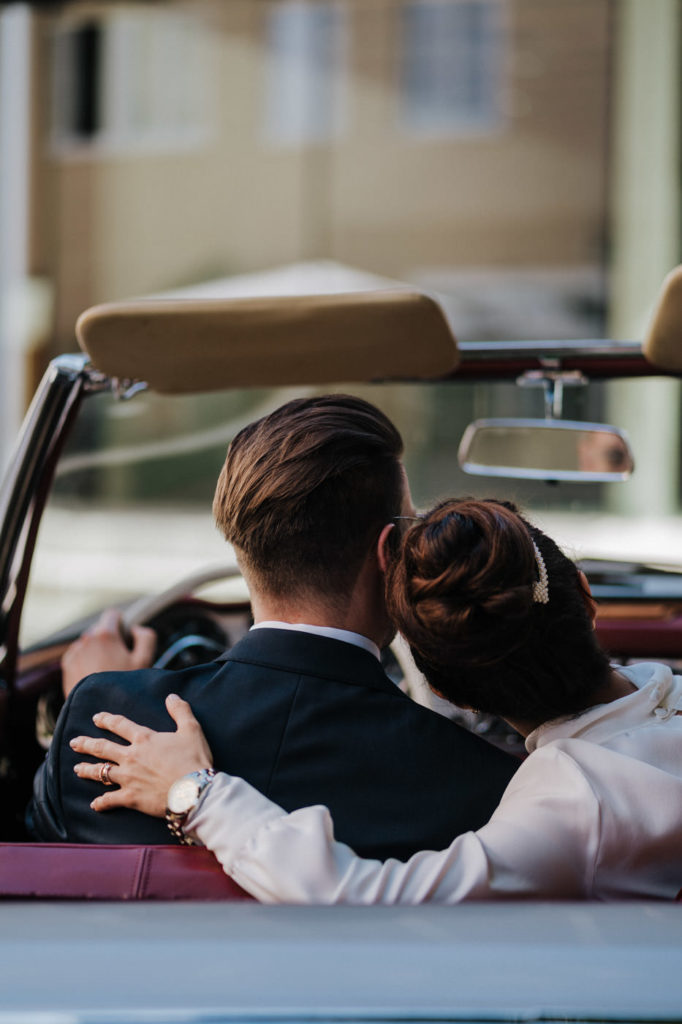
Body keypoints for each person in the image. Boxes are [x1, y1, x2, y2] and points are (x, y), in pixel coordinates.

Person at [70, 499, 682, 901]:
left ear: (445, 692)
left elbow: (366, 901)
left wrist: (196, 791)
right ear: (584, 592)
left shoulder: (577, 799)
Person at [28, 398, 517, 853]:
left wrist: (92, 698)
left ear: (239, 535)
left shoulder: (103, 724)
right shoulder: (476, 779)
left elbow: (41, 855)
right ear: (389, 552)